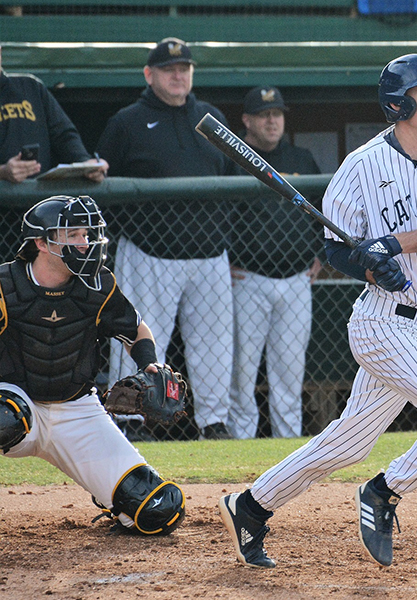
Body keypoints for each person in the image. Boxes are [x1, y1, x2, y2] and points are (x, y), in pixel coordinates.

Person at [218, 53, 417, 569]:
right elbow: (337, 249)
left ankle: (251, 506)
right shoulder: (360, 167)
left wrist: (388, 245)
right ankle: (385, 492)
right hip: (382, 325)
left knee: (346, 443)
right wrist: (369, 268)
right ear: (398, 103)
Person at [0, 195, 185, 536]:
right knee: (3, 419)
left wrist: (150, 366)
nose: (84, 244)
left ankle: (111, 498)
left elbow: (136, 331)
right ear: (41, 243)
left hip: (77, 410)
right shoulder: (5, 285)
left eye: (87, 235)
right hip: (16, 402)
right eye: (72, 236)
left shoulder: (99, 285)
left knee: (160, 510)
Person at [96, 38, 238, 441]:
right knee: (136, 333)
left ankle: (214, 423)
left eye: (185, 68)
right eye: (169, 69)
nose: (178, 75)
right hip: (148, 251)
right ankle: (129, 417)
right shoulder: (127, 120)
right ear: (149, 74)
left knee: (214, 344)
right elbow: (103, 186)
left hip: (209, 253)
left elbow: (231, 183)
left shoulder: (212, 118)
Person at [228, 85, 322, 439]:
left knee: (289, 374)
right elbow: (220, 217)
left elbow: (322, 212)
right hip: (247, 280)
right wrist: (224, 262)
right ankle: (240, 444)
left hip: (297, 280)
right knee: (242, 372)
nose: (272, 121)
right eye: (265, 114)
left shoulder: (301, 159)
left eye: (277, 114)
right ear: (247, 121)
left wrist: (320, 254)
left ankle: (288, 447)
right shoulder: (233, 159)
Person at [0, 44, 107, 260]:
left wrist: (85, 164)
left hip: (41, 221)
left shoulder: (29, 87)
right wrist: (2, 172)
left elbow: (64, 135)